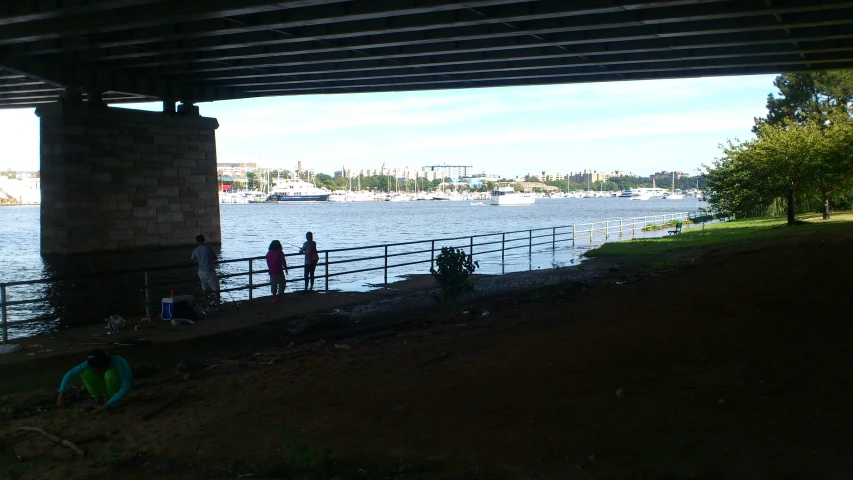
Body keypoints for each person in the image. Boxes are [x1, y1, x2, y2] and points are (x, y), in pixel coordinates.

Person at [56, 349, 134, 414]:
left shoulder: (119, 362)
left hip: (120, 390)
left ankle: (115, 402)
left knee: (110, 374)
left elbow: (126, 387)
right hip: (106, 387)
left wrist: (105, 406)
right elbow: (70, 374)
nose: (97, 370)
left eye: (99, 368)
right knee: (85, 372)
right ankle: (98, 400)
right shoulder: (93, 362)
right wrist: (61, 394)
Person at [191, 234, 220, 306]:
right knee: (216, 288)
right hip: (209, 271)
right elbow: (215, 258)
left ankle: (207, 305)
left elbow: (192, 260)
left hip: (201, 272)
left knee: (204, 289)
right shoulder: (209, 248)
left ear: (197, 241)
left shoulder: (196, 250)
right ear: (204, 240)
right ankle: (218, 303)